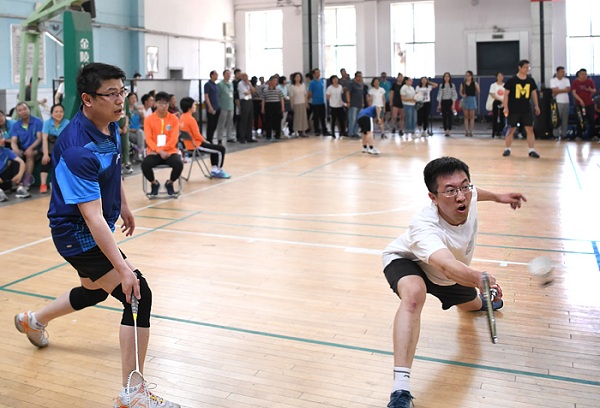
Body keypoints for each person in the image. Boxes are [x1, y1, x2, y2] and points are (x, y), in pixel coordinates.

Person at [13, 62, 181, 408]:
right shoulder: (77, 148)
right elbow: (91, 219)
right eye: (112, 93)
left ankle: (33, 321)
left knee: (93, 293)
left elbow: (110, 167)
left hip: (87, 227)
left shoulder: (108, 125)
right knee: (136, 293)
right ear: (88, 99)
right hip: (76, 233)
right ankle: (131, 394)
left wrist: (123, 205)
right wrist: (123, 268)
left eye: (123, 91)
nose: (121, 100)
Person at [383, 156, 526, 408]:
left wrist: (498, 196)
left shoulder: (466, 197)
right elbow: (447, 266)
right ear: (433, 197)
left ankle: (477, 302)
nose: (461, 196)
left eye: (464, 186)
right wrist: (482, 278)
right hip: (410, 262)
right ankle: (400, 390)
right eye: (450, 191)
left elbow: (475, 191)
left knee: (474, 305)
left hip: (451, 275)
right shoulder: (423, 226)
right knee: (414, 296)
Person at [142, 91, 184, 196]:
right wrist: (158, 151)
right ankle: (154, 183)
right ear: (155, 104)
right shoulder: (149, 120)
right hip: (154, 152)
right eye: (160, 103)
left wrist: (165, 150)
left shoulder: (174, 119)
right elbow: (149, 139)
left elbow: (174, 138)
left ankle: (170, 183)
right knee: (145, 165)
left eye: (166, 103)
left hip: (170, 152)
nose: (163, 106)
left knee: (178, 164)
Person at [179, 96, 230, 179]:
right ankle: (218, 170)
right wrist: (205, 141)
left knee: (214, 148)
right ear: (189, 107)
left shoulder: (182, 118)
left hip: (188, 145)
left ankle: (214, 169)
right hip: (196, 145)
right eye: (194, 105)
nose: (195, 106)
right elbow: (197, 135)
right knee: (221, 149)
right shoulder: (190, 119)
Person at [502, 60, 541, 158]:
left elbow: (533, 93)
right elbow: (506, 94)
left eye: (528, 68)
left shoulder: (530, 80)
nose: (527, 69)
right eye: (525, 67)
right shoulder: (512, 81)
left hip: (526, 109)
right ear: (519, 68)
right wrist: (506, 107)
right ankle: (507, 149)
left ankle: (531, 150)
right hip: (513, 109)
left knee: (530, 129)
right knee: (511, 129)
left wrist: (536, 105)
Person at [10, 102, 44, 196]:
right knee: (13, 155)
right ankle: (15, 182)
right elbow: (13, 141)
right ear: (17, 113)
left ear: (29, 110)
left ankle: (26, 183)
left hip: (36, 149)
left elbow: (39, 138)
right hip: (22, 149)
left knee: (29, 154)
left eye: (25, 109)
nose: (23, 112)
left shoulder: (38, 121)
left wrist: (30, 148)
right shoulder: (16, 125)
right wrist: (16, 149)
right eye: (20, 110)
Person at [40, 104, 69, 193]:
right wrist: (45, 154)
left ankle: (57, 184)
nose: (59, 114)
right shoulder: (47, 123)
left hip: (61, 149)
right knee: (45, 161)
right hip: (49, 148)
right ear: (52, 113)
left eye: (61, 111)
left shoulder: (67, 122)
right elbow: (44, 139)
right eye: (56, 112)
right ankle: (43, 184)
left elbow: (68, 140)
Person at [571, 68, 596, 141]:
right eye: (582, 74)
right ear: (579, 75)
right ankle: (579, 135)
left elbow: (594, 90)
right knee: (579, 119)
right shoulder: (575, 82)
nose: (584, 76)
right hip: (579, 104)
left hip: (589, 103)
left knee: (591, 119)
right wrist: (580, 100)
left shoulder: (589, 81)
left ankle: (593, 135)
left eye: (585, 74)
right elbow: (574, 93)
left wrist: (590, 90)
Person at [261, 75, 285, 141]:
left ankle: (277, 136)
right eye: (274, 81)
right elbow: (263, 99)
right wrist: (262, 108)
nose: (275, 82)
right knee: (268, 121)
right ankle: (268, 136)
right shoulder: (265, 90)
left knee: (277, 121)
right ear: (270, 82)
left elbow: (281, 99)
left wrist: (282, 107)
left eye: (276, 81)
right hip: (268, 105)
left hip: (277, 105)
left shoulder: (279, 90)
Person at [550, 66, 571, 141]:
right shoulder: (553, 80)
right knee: (556, 118)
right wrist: (563, 90)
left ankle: (564, 135)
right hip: (557, 101)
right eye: (562, 71)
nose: (563, 73)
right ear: (557, 72)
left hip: (566, 101)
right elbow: (554, 91)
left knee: (565, 119)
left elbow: (568, 89)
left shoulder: (566, 80)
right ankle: (556, 135)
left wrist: (559, 90)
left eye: (564, 71)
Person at [216, 69, 235, 144]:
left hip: (231, 106)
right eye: (227, 74)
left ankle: (229, 137)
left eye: (229, 74)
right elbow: (218, 95)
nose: (229, 75)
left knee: (230, 123)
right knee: (222, 122)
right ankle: (219, 138)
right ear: (224, 75)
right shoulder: (220, 84)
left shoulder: (231, 84)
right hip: (223, 106)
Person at [437, 72, 458, 137]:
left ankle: (450, 130)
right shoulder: (441, 85)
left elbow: (454, 95)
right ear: (443, 78)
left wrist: (453, 104)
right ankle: (445, 130)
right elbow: (440, 95)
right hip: (443, 102)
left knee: (450, 116)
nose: (446, 78)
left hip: (450, 101)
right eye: (445, 76)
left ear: (449, 78)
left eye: (448, 76)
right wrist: (439, 104)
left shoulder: (452, 85)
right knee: (444, 117)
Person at [459, 70, 480, 137]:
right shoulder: (463, 84)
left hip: (472, 99)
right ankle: (466, 131)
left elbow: (478, 90)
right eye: (466, 75)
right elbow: (460, 92)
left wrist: (474, 94)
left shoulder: (475, 83)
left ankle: (471, 131)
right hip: (466, 99)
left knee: (471, 116)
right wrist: (462, 95)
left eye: (468, 75)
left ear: (471, 76)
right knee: (466, 116)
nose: (467, 77)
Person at [308, 68, 328, 136]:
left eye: (319, 72)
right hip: (315, 103)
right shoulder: (312, 82)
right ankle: (317, 130)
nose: (318, 74)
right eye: (316, 73)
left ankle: (324, 130)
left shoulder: (321, 81)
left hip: (322, 102)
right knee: (316, 118)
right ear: (314, 74)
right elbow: (310, 93)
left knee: (323, 117)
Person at [237, 73, 256, 143]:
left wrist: (250, 85)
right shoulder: (240, 84)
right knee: (244, 120)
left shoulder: (249, 83)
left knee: (250, 119)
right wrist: (250, 91)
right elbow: (246, 93)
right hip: (244, 101)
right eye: (244, 76)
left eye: (247, 76)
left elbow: (254, 91)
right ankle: (242, 137)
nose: (246, 77)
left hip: (250, 101)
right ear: (241, 77)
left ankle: (249, 137)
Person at [347, 71, 366, 138]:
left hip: (359, 104)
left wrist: (363, 102)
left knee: (358, 119)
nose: (360, 78)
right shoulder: (351, 83)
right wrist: (348, 101)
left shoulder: (361, 84)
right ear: (356, 77)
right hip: (353, 104)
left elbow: (362, 94)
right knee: (352, 119)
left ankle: (355, 132)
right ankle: (350, 133)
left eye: (361, 76)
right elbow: (348, 92)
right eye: (359, 76)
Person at [486, 72, 505, 138]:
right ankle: (494, 132)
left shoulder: (505, 85)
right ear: (496, 77)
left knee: (502, 118)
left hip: (503, 103)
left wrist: (504, 102)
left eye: (501, 76)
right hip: (496, 102)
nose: (500, 77)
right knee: (495, 117)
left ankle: (501, 132)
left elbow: (506, 94)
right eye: (499, 76)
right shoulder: (493, 85)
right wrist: (500, 99)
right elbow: (492, 94)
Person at [289, 72, 309, 137]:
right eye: (297, 77)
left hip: (302, 102)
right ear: (294, 78)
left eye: (299, 77)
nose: (298, 78)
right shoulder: (292, 87)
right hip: (296, 103)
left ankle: (303, 131)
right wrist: (291, 105)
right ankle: (296, 131)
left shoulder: (303, 85)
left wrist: (306, 103)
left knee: (303, 117)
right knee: (297, 118)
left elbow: (305, 94)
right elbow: (291, 97)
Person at [204, 70, 221, 143]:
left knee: (215, 124)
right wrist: (210, 107)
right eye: (215, 74)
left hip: (217, 107)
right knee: (211, 124)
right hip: (211, 107)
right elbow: (206, 96)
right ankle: (209, 139)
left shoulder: (216, 85)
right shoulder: (208, 84)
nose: (217, 76)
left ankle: (211, 137)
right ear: (211, 75)